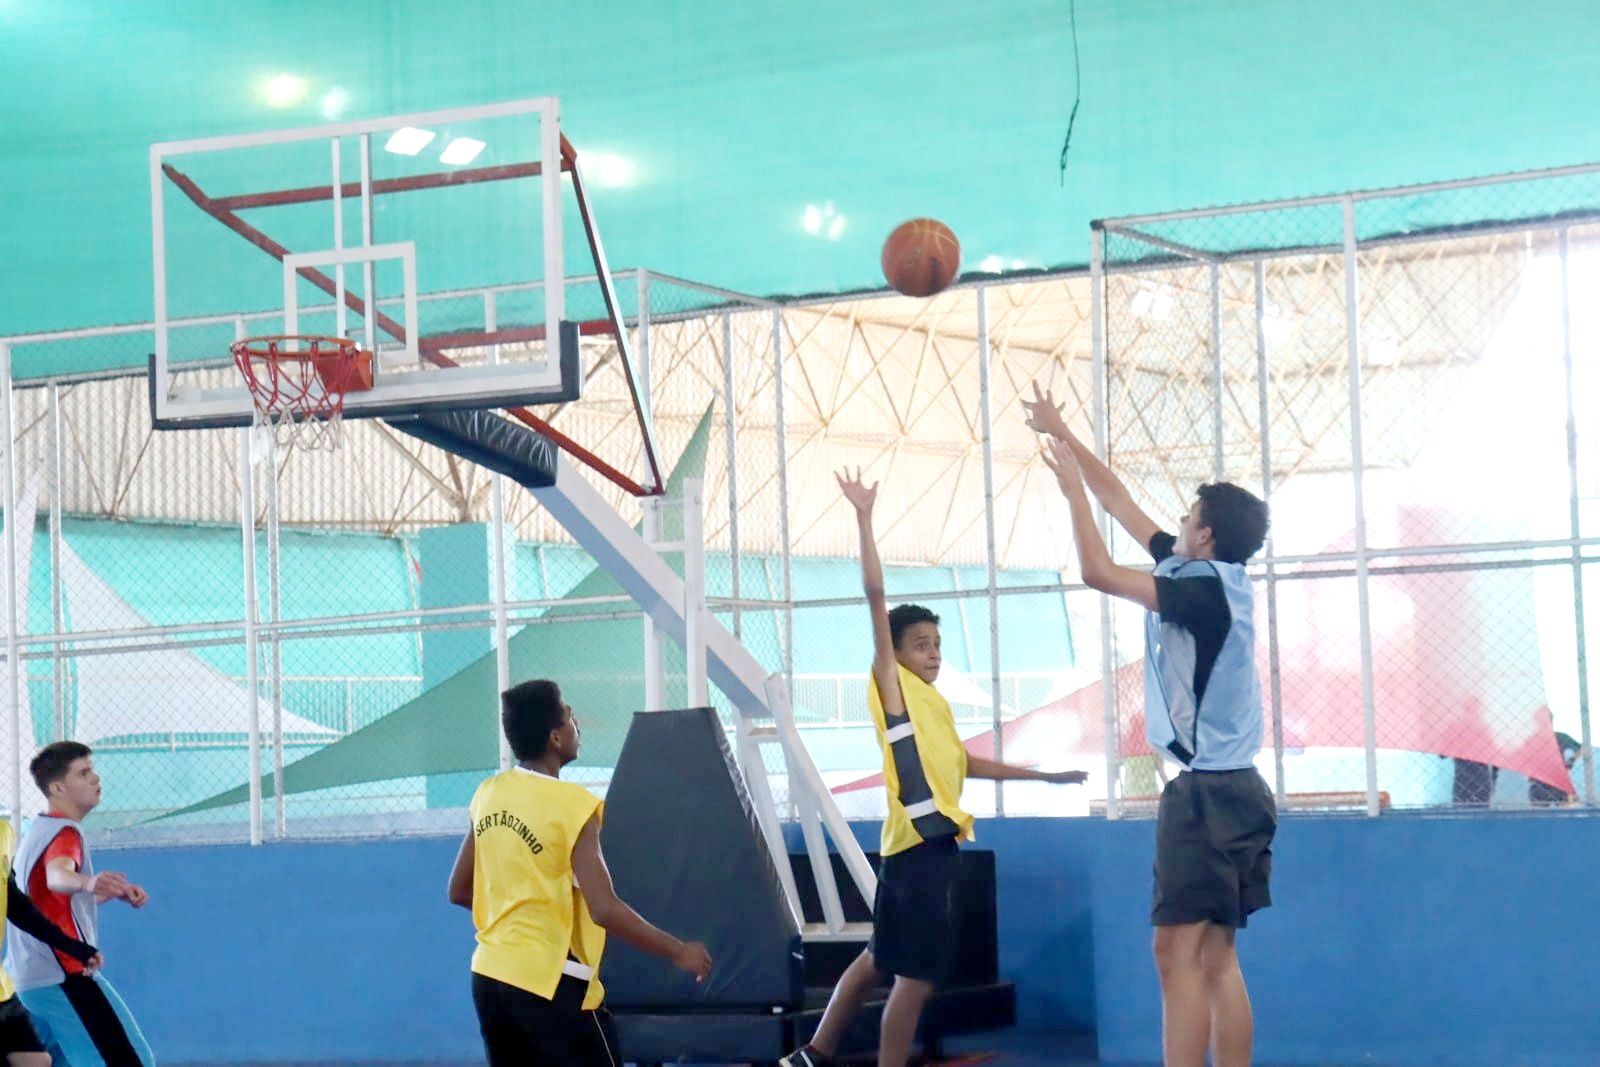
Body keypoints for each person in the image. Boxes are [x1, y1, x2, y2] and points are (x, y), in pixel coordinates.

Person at [782, 468, 1088, 1067]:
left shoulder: (935, 705)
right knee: (914, 980)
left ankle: (812, 1054)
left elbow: (965, 763)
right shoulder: (891, 687)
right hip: (917, 853)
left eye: (937, 645)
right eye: (920, 643)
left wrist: (1045, 779)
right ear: (893, 652)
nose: (934, 654)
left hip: (930, 851)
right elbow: (875, 595)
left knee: (876, 961)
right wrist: (865, 518)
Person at [1025, 382, 1273, 1067]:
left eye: (1189, 517)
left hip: (1209, 798)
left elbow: (1097, 569)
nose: (1179, 523)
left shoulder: (1199, 592)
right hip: (1241, 790)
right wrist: (1063, 432)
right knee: (1216, 956)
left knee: (1174, 953)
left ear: (1207, 534)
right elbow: (1123, 504)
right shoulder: (1213, 574)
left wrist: (1070, 493)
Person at [447, 679, 712, 1067]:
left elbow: (458, 889)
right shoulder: (573, 805)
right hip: (552, 984)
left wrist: (516, 917)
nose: (577, 725)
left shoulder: (489, 793)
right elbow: (603, 909)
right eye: (570, 717)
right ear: (555, 737)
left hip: (489, 978)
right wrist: (678, 951)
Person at [6, 742, 153, 1067]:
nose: (95, 778)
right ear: (58, 787)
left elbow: (44, 901)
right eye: (84, 773)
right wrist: (88, 882)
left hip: (27, 981)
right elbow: (59, 876)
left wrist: (100, 894)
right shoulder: (65, 834)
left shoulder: (34, 832)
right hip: (61, 978)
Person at [0, 812, 104, 1067]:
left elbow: (19, 908)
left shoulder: (3, 833)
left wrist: (74, 947)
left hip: (1, 990)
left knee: (36, 1060)